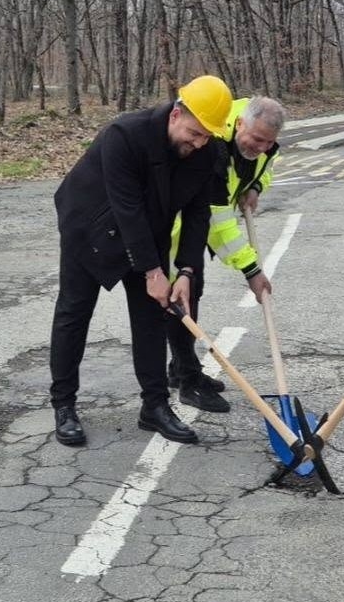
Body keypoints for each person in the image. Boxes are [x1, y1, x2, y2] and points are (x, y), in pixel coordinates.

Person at [49, 75, 233, 446]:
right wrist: (152, 271)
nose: (198, 144)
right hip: (89, 226)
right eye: (194, 133)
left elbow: (198, 214)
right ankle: (64, 404)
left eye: (205, 137)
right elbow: (126, 207)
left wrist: (185, 271)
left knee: (151, 316)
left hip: (147, 230)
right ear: (176, 114)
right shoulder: (125, 134)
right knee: (74, 311)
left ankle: (155, 407)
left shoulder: (207, 151)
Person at [166, 96, 285, 413]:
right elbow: (219, 224)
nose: (260, 146)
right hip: (176, 230)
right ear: (240, 123)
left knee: (193, 296)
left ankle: (180, 370)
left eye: (268, 142)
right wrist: (252, 271)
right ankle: (189, 380)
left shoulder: (266, 147)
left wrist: (256, 187)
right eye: (256, 138)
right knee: (181, 303)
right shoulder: (215, 147)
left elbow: (264, 169)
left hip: (197, 229)